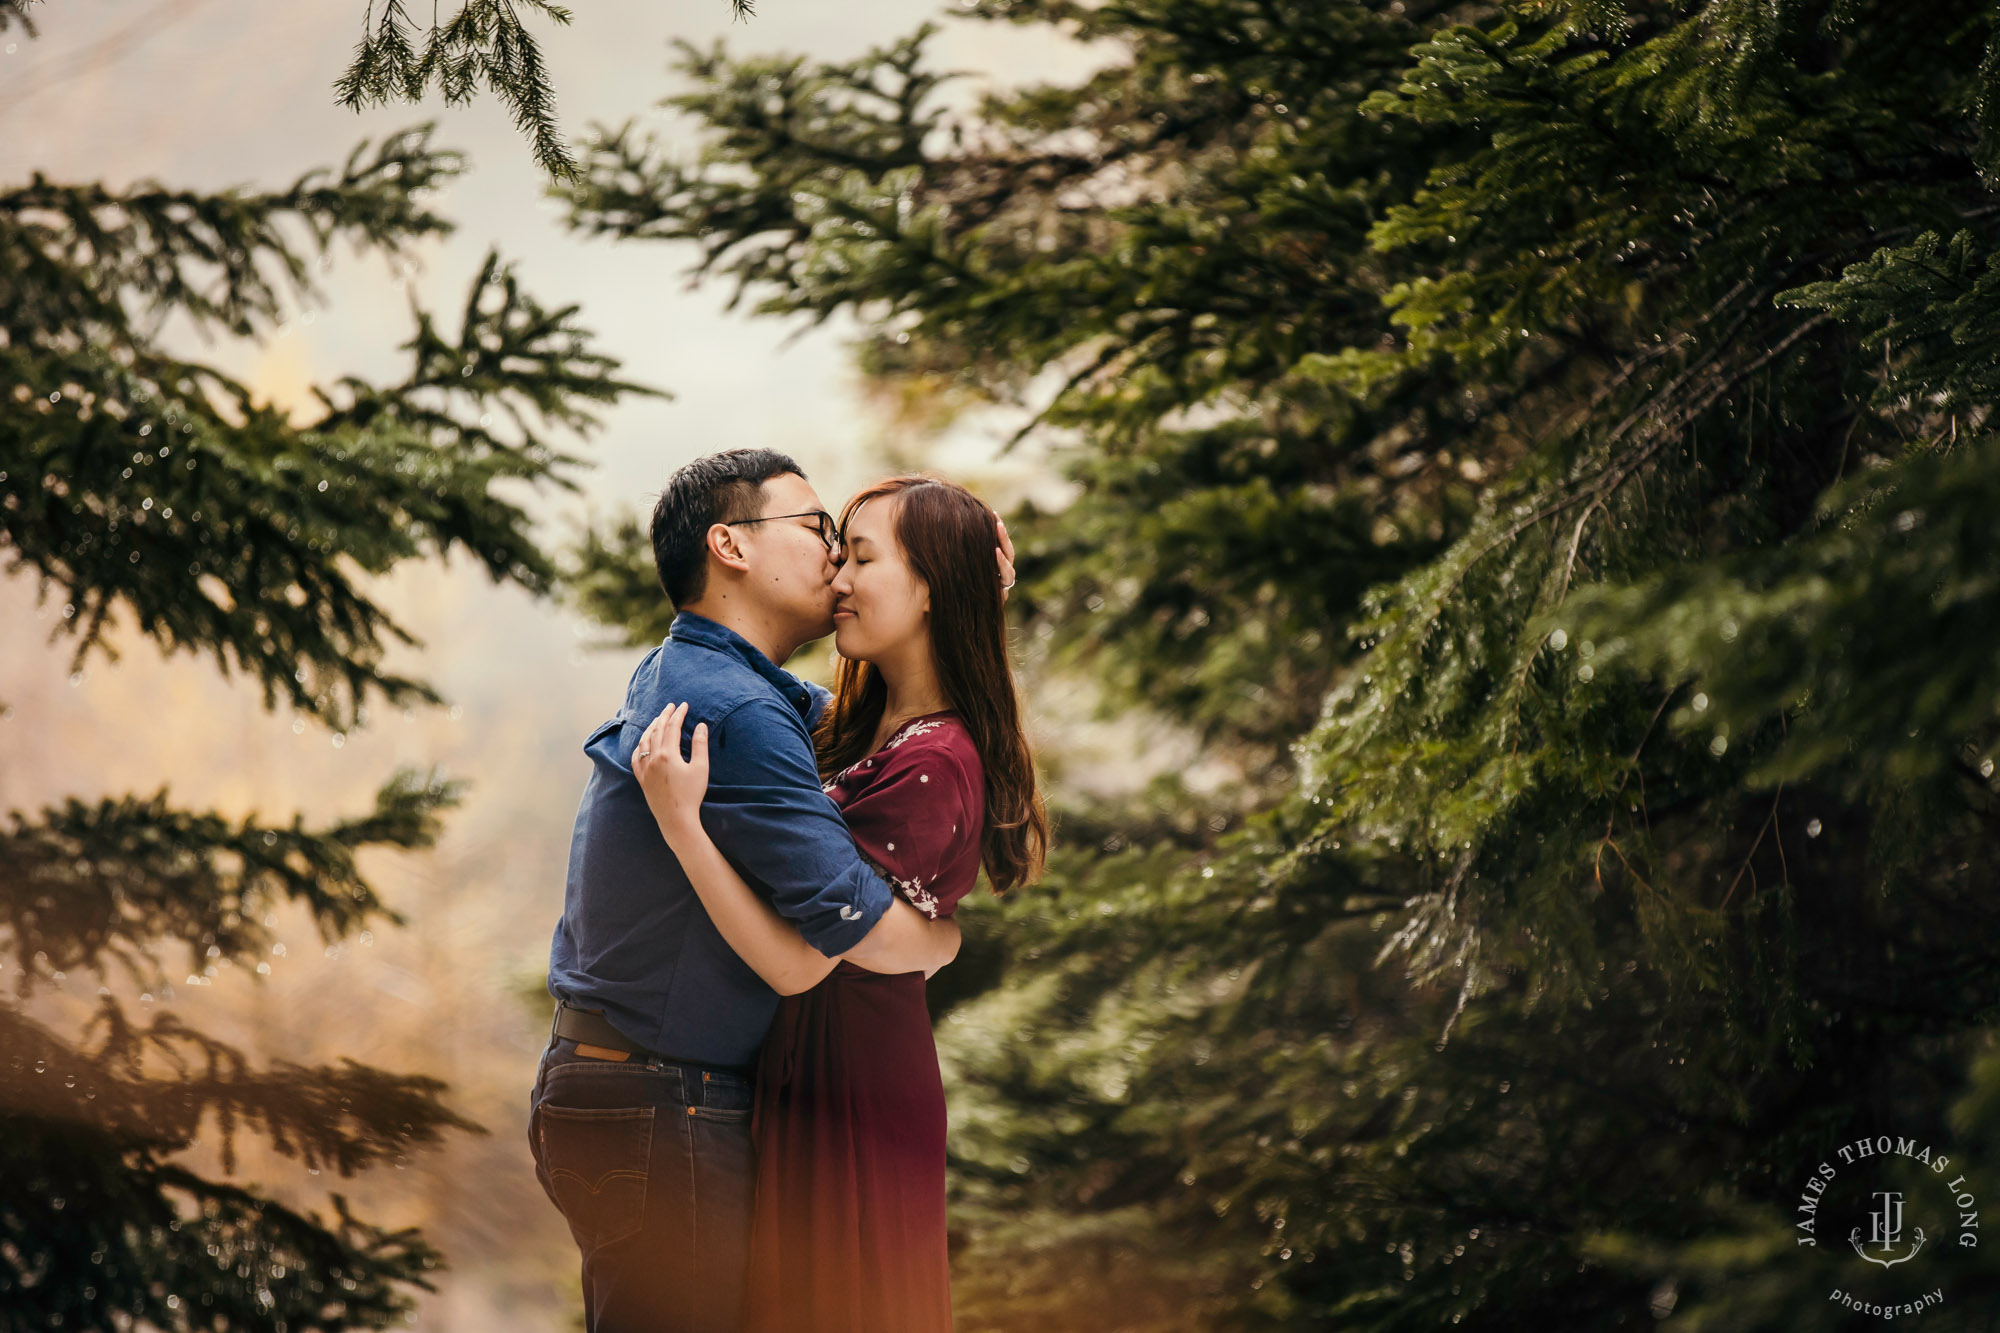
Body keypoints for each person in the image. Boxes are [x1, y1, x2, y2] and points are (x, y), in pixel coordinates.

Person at [527, 450, 1018, 1333]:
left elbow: (875, 733)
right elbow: (846, 935)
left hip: (648, 1088)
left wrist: (969, 590)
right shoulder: (740, 708)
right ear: (732, 546)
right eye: (820, 531)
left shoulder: (711, 675)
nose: (835, 559)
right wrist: (935, 939)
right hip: (661, 1097)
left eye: (857, 550)